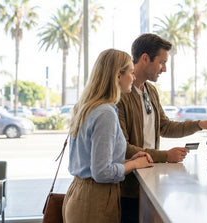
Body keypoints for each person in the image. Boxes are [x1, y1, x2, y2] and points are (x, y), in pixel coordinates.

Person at [116, 33, 207, 223]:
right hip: (127, 188)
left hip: (149, 179)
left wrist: (200, 125)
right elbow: (123, 148)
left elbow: (164, 126)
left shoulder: (150, 91)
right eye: (161, 62)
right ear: (145, 58)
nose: (164, 69)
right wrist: (165, 156)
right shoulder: (121, 94)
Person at [62, 49, 154, 223]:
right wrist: (134, 164)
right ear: (118, 76)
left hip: (79, 194)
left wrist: (125, 162)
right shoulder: (106, 113)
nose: (134, 78)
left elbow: (92, 162)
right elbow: (102, 172)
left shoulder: (87, 106)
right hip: (95, 200)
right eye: (131, 73)